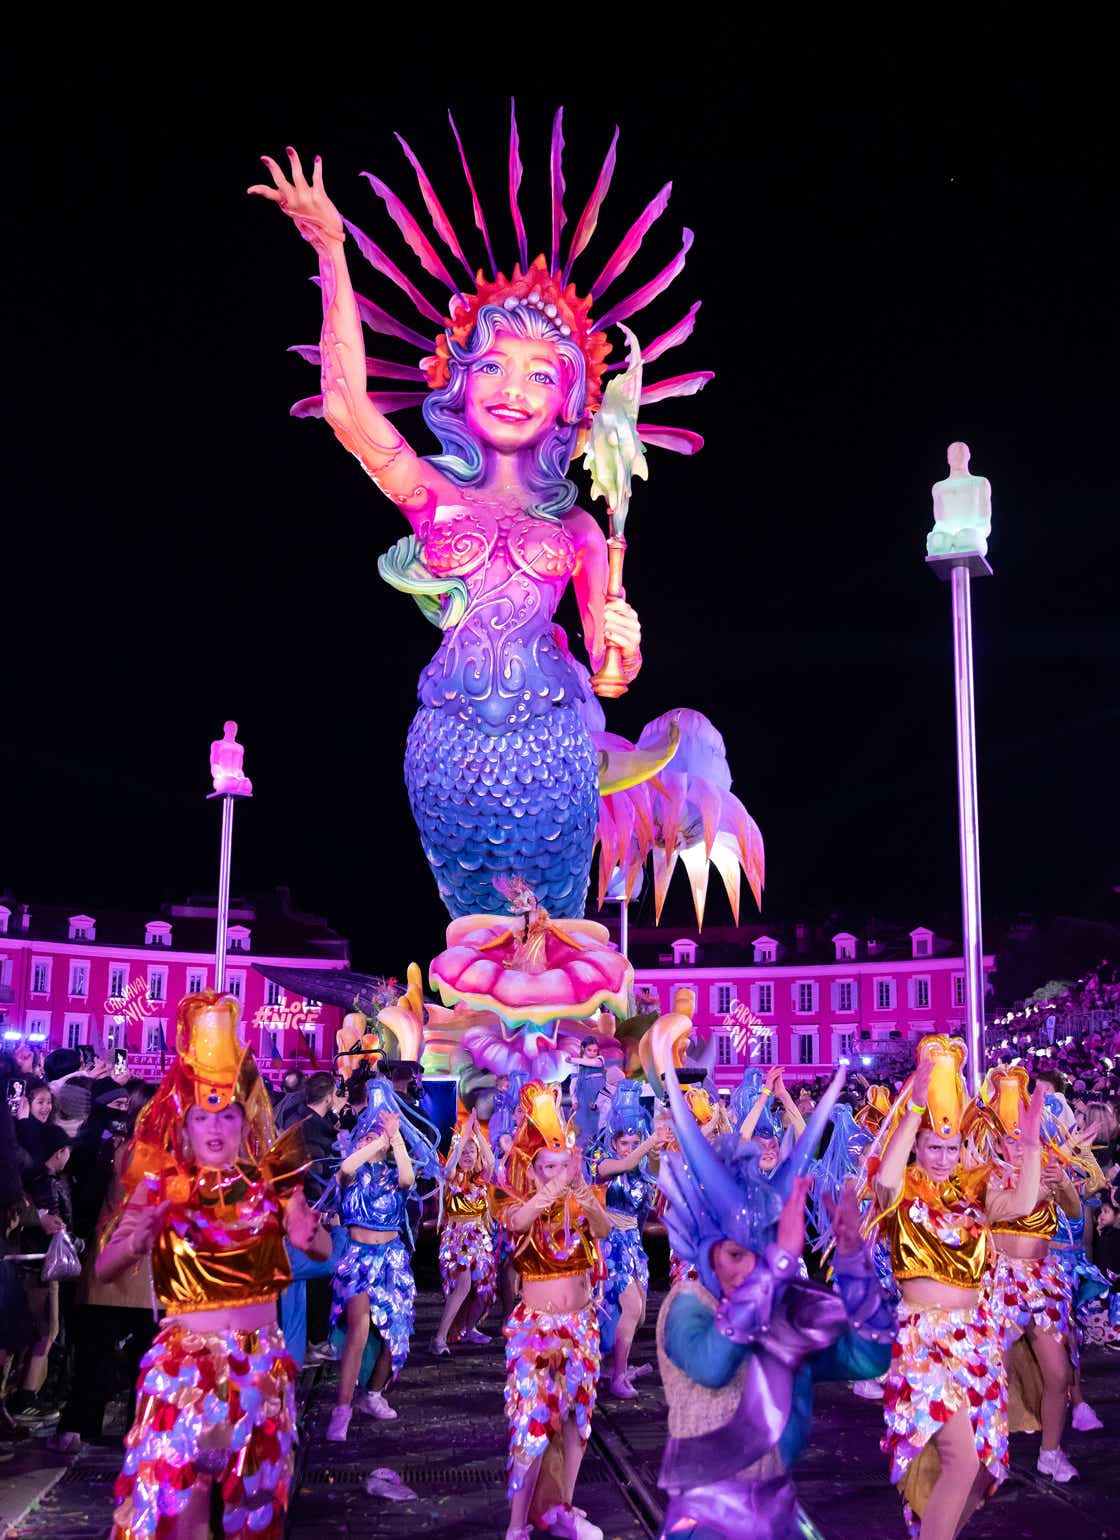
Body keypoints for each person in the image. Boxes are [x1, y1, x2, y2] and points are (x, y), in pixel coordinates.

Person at [251, 128, 686, 925]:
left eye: (540, 374)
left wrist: (624, 641)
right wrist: (333, 251)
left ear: (570, 403)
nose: (513, 390)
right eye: (492, 366)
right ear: (458, 381)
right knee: (473, 933)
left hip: (553, 751)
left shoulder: (581, 529)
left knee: (552, 934)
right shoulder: (433, 496)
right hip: (447, 747)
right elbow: (345, 408)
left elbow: (610, 674)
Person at [95, 991, 329, 1540]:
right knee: (184, 1510)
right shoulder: (160, 1189)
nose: (216, 1126)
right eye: (203, 1116)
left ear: (244, 1121)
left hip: (259, 1369)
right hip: (185, 1374)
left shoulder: (271, 1184)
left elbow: (322, 1252)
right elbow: (105, 1267)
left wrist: (311, 1236)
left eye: (227, 1114)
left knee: (255, 1510)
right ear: (185, 1126)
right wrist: (138, 1240)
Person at [655, 1062, 895, 1538]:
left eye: (760, 1254)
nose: (750, 1268)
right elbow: (712, 1365)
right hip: (708, 1521)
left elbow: (871, 1357)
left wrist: (852, 1263)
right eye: (736, 1255)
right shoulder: (688, 1305)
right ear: (708, 1253)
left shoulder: (783, 1309)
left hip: (778, 1512)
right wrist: (778, 1266)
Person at [865, 1035, 1044, 1540]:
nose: (944, 1157)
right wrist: (914, 1108)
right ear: (917, 1145)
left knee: (985, 1468)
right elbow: (885, 1180)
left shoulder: (974, 1194)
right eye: (933, 1147)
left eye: (951, 1147)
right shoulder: (900, 1193)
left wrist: (1031, 1145)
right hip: (926, 1342)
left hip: (977, 1339)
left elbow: (1023, 1204)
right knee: (962, 1461)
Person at [490, 1080, 611, 1540]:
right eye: (549, 1166)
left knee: (578, 1422)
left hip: (581, 1327)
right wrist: (553, 1190)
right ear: (534, 1168)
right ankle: (516, 1525)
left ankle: (563, 1507)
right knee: (532, 1426)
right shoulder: (517, 1200)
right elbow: (517, 1222)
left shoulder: (580, 1200)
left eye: (564, 1164)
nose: (558, 1172)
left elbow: (603, 1230)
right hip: (536, 1331)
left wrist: (581, 1191)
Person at [327, 1078, 436, 1440]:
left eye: (375, 1138)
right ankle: (341, 1409)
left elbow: (408, 1177)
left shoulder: (393, 1176)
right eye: (364, 1138)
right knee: (359, 1329)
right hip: (358, 1260)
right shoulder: (350, 1176)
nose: (369, 1141)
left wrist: (396, 1139)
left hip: (392, 1260)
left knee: (396, 1334)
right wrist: (377, 1139)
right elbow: (347, 1167)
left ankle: (372, 1394)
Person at [584, 1081, 670, 1398]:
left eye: (634, 1141)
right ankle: (618, 1376)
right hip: (609, 1243)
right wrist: (649, 1143)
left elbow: (650, 1180)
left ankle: (609, 1366)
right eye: (625, 1142)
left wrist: (657, 1149)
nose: (629, 1147)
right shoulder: (602, 1161)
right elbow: (625, 1163)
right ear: (613, 1141)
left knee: (638, 1313)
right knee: (629, 1308)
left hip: (632, 1243)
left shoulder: (640, 1172)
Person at [431, 1108, 497, 1354]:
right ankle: (439, 1338)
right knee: (463, 1285)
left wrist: (477, 1134)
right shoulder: (450, 1177)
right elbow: (449, 1168)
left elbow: (491, 1162)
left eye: (472, 1151)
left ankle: (470, 1328)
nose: (468, 1155)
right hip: (456, 1239)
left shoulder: (480, 1179)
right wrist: (462, 1138)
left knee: (485, 1289)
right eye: (464, 1152)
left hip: (479, 1238)